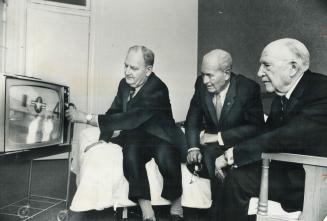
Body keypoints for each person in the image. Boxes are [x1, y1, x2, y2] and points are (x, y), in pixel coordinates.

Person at [66, 45, 187, 221]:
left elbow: (130, 119)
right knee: (130, 154)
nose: (127, 72)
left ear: (148, 70)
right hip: (138, 134)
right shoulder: (124, 84)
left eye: (134, 68)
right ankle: (147, 212)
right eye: (126, 66)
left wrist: (86, 117)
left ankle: (176, 206)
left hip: (162, 135)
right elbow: (114, 111)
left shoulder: (158, 88)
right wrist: (104, 139)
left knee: (166, 157)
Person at [214, 38, 327, 221]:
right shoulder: (280, 98)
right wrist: (234, 159)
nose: (259, 73)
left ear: (293, 68)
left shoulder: (322, 89)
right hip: (289, 173)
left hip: (314, 181)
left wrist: (232, 155)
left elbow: (289, 135)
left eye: (266, 66)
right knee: (234, 175)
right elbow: (266, 135)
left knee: (238, 180)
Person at [185, 49, 265, 220]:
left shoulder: (248, 89)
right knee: (209, 155)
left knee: (217, 160)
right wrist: (192, 147)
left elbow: (256, 128)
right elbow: (192, 118)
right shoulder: (201, 85)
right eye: (203, 74)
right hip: (211, 149)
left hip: (240, 147)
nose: (205, 80)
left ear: (227, 74)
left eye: (210, 75)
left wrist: (219, 136)